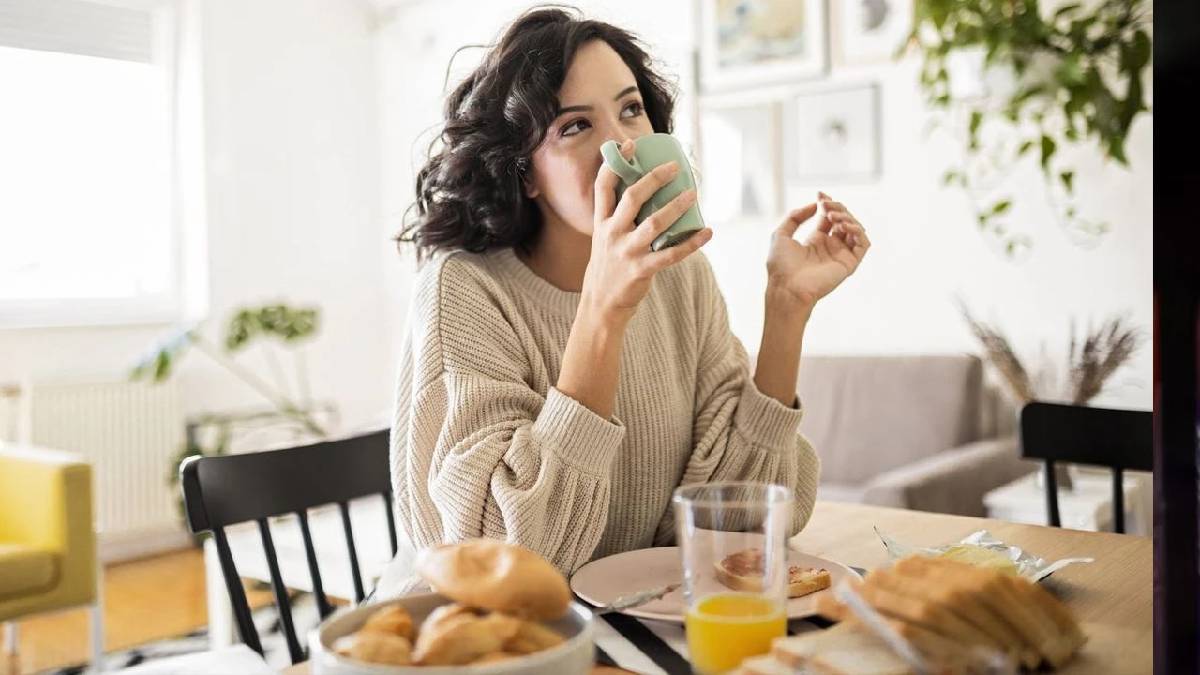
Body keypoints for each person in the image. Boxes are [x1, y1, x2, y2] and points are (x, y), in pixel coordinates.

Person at [378, 6, 870, 592]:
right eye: (575, 127)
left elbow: (744, 525)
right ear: (526, 174)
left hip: (635, 625)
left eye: (631, 110)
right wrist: (602, 313)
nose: (622, 146)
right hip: (485, 640)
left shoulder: (681, 277)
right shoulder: (463, 291)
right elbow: (506, 566)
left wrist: (787, 308)